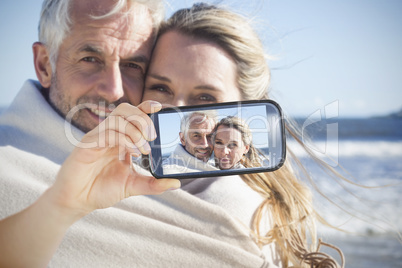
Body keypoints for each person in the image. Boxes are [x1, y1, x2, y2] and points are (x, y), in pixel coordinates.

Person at [143, 3, 344, 267]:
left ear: (247, 105)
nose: (176, 110)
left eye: (205, 97)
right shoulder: (162, 175)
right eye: (159, 87)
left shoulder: (221, 209)